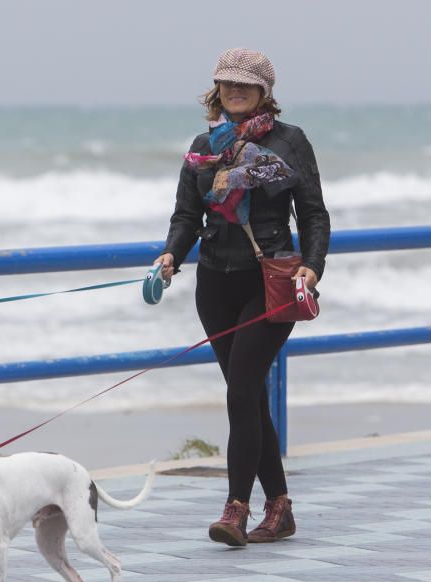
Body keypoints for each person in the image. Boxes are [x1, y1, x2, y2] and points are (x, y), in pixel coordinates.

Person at [154, 48, 331, 547]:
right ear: (217, 89)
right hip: (214, 281)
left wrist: (311, 267)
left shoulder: (289, 141)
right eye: (228, 82)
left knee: (241, 391)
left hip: (270, 280)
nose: (236, 90)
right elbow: (187, 216)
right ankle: (280, 508)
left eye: (246, 84)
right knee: (248, 395)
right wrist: (170, 256)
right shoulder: (204, 145)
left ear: (264, 92)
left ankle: (235, 509)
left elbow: (314, 215)